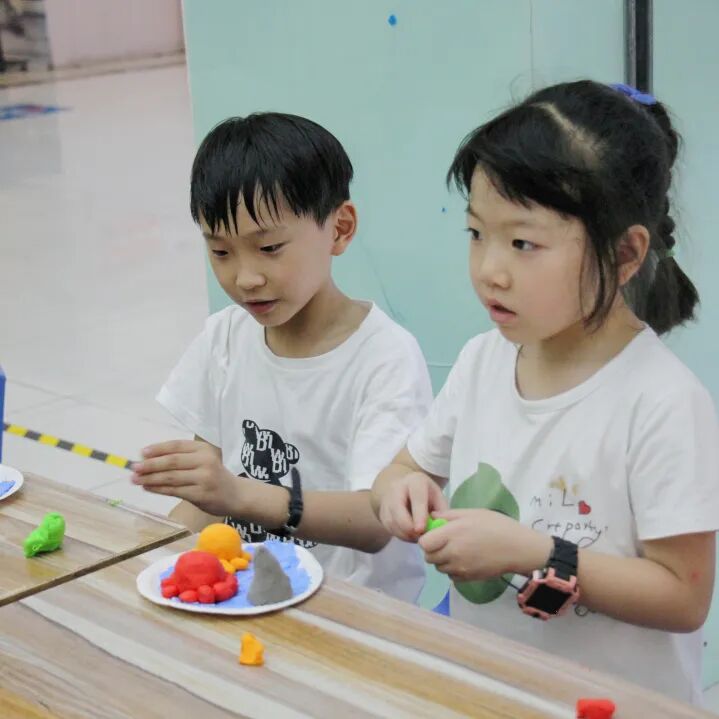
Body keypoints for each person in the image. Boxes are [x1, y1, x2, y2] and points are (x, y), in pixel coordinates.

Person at [371, 80, 719, 702]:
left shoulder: (663, 402)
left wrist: (534, 552)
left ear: (625, 254)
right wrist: (399, 491)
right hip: (488, 693)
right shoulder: (482, 361)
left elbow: (683, 595)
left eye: (523, 243)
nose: (489, 270)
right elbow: (404, 468)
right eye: (476, 233)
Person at [132, 112, 433, 601]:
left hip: (352, 613)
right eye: (221, 252)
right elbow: (208, 500)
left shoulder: (384, 357)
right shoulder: (225, 337)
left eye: (269, 247)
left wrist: (239, 494)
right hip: (245, 596)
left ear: (340, 229)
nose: (245, 278)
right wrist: (143, 553)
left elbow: (376, 521)